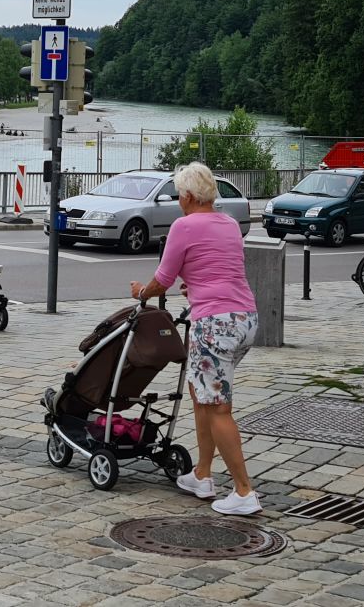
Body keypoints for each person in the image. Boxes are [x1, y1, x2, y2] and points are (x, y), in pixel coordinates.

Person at [129, 161, 260, 515]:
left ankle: (244, 492)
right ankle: (202, 474)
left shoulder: (183, 226)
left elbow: (163, 280)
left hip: (215, 324)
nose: (178, 201)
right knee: (200, 391)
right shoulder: (229, 223)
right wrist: (196, 286)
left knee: (217, 406)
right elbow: (221, 269)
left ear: (188, 196)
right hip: (245, 318)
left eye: (178, 195)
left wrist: (142, 292)